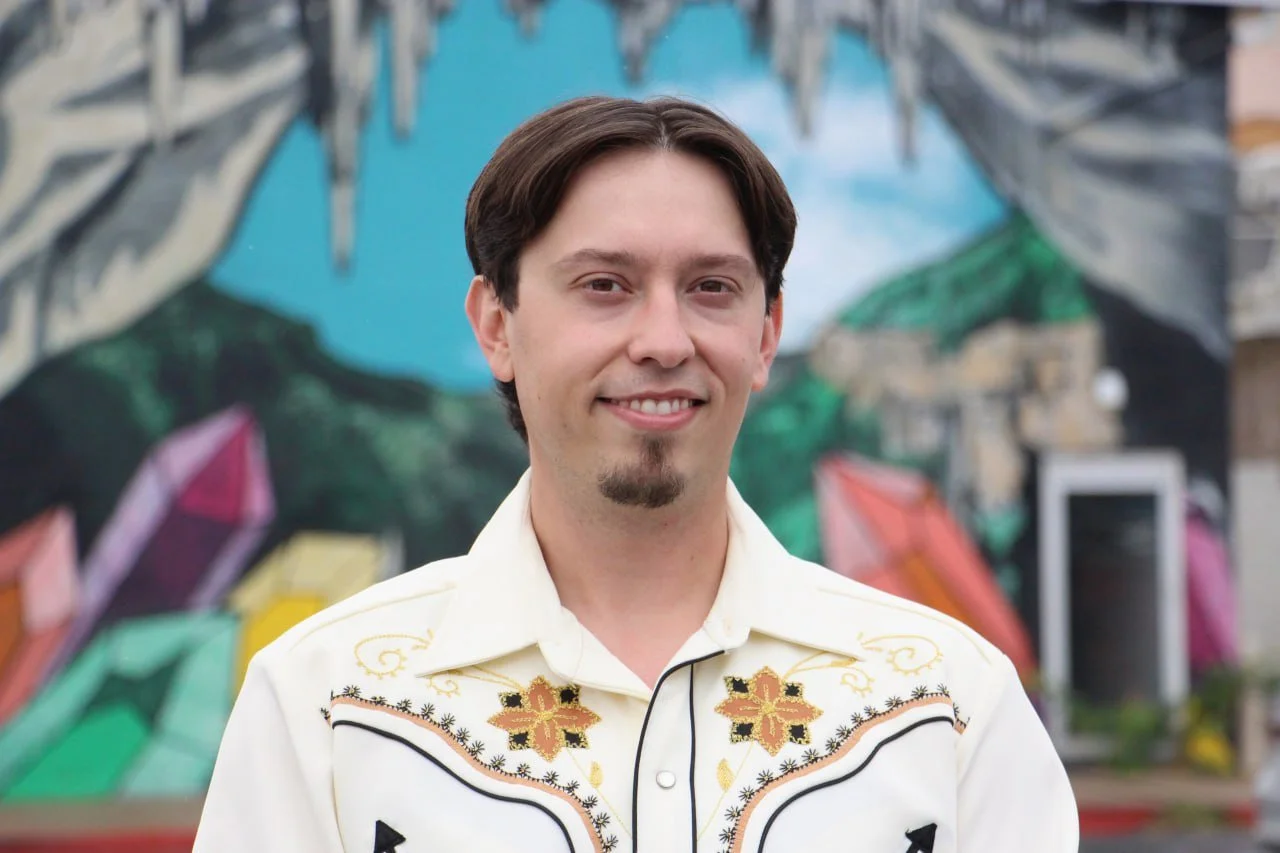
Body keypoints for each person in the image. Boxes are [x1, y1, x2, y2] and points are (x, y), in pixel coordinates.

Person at [192, 95, 1079, 853]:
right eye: (605, 285)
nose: (663, 340)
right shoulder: (327, 704)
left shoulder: (946, 704)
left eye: (711, 288)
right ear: (496, 325)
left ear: (765, 336)